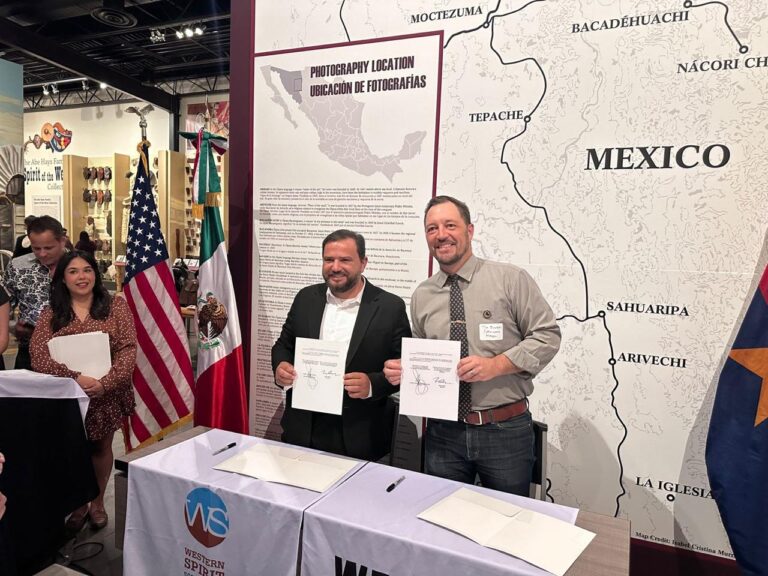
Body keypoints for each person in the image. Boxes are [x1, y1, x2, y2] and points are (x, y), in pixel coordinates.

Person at [384, 196, 561, 496]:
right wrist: (404, 372)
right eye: (432, 228)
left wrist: (496, 365)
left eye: (450, 225)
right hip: (443, 433)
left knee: (508, 522)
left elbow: (547, 336)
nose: (441, 234)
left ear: (470, 230)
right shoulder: (422, 296)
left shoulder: (509, 279)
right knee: (443, 519)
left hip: (503, 430)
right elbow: (424, 359)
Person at [272, 230, 411, 461]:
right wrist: (281, 366)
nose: (335, 267)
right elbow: (283, 345)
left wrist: (372, 385)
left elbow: (403, 367)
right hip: (303, 429)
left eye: (345, 260)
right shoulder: (306, 298)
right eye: (329, 260)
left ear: (363, 263)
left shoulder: (390, 307)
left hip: (360, 435)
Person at [29, 250, 137, 531]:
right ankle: (78, 503)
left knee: (101, 447)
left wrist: (105, 384)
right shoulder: (51, 312)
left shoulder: (116, 306)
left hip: (106, 394)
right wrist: (75, 379)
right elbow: (38, 355)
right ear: (63, 278)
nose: (81, 277)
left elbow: (127, 349)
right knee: (72, 450)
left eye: (87, 270)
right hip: (67, 396)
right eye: (73, 271)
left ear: (95, 274)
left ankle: (98, 502)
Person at [3, 216, 69, 369]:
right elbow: (5, 304)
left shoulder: (79, 264)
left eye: (48, 248)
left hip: (71, 346)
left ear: (62, 241)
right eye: (36, 248)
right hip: (30, 348)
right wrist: (13, 327)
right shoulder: (18, 266)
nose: (42, 254)